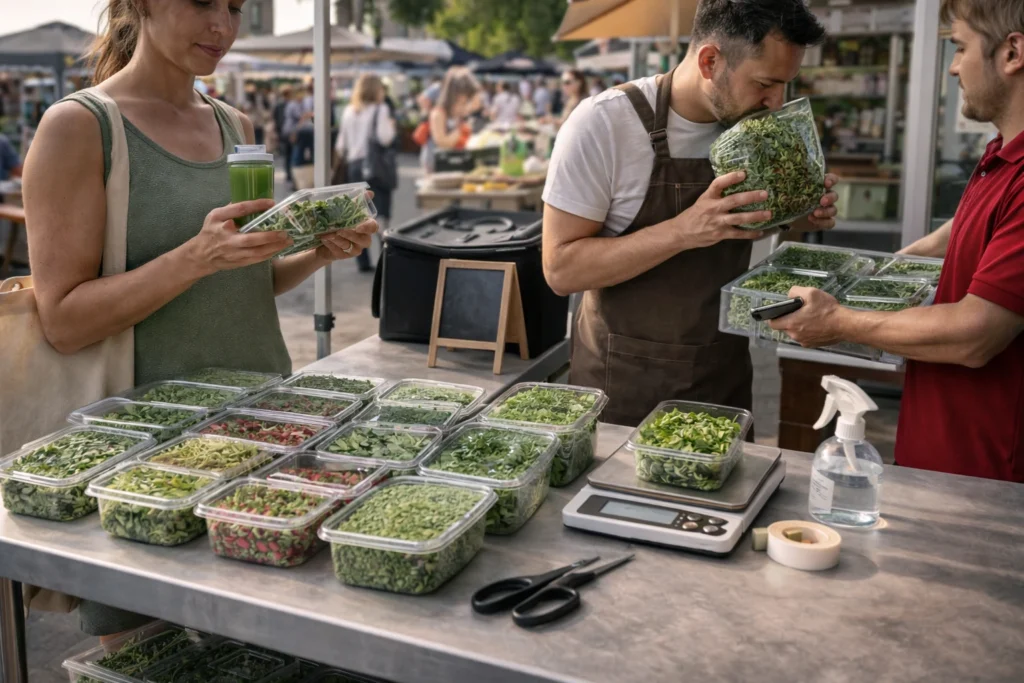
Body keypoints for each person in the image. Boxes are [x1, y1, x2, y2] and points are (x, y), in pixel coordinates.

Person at [21, 0, 376, 639]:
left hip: (271, 433)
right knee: (144, 658)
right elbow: (64, 321)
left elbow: (240, 285)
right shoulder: (77, 127)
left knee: (266, 649)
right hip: (146, 465)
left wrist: (315, 252)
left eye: (237, 8)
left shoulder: (236, 124)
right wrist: (194, 257)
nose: (224, 27)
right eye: (204, 3)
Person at [541, 0, 836, 427]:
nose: (775, 103)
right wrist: (683, 231)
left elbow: (754, 222)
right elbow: (560, 270)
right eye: (764, 84)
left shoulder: (749, 129)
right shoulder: (603, 124)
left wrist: (805, 212)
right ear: (710, 61)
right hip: (622, 392)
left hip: (722, 378)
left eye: (785, 86)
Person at [771, 0, 1024, 483]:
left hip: (990, 472)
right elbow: (971, 225)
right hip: (943, 446)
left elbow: (975, 335)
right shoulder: (1000, 153)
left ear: (1012, 53)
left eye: (960, 47)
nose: (951, 67)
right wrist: (893, 263)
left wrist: (838, 320)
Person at [336, 73, 396, 273]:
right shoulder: (381, 109)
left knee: (359, 215)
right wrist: (392, 128)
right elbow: (385, 138)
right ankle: (384, 260)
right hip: (375, 168)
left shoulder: (349, 111)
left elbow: (341, 146)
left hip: (354, 167)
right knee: (380, 215)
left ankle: (362, 261)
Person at [422, 67, 482, 173]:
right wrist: (461, 130)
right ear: (454, 94)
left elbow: (476, 102)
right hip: (436, 165)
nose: (465, 103)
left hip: (453, 164)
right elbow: (442, 142)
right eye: (463, 99)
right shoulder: (438, 113)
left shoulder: (458, 112)